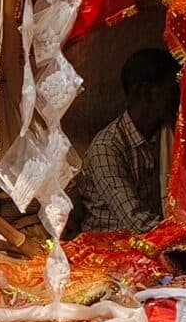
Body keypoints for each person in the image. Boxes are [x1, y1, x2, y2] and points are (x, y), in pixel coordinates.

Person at [77, 48, 180, 235]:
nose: (178, 98)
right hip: (108, 245)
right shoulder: (106, 148)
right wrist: (183, 236)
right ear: (147, 93)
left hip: (151, 238)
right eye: (172, 90)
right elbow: (136, 220)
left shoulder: (166, 133)